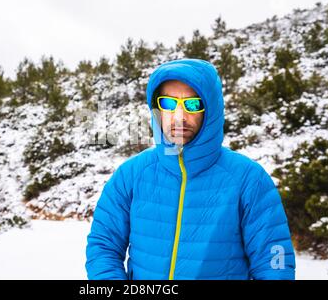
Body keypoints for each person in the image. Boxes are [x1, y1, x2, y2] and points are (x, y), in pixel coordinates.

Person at [85, 58, 296, 280]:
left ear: (211, 110)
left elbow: (275, 262)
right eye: (168, 103)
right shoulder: (130, 175)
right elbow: (103, 247)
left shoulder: (249, 179)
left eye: (193, 104)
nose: (179, 116)